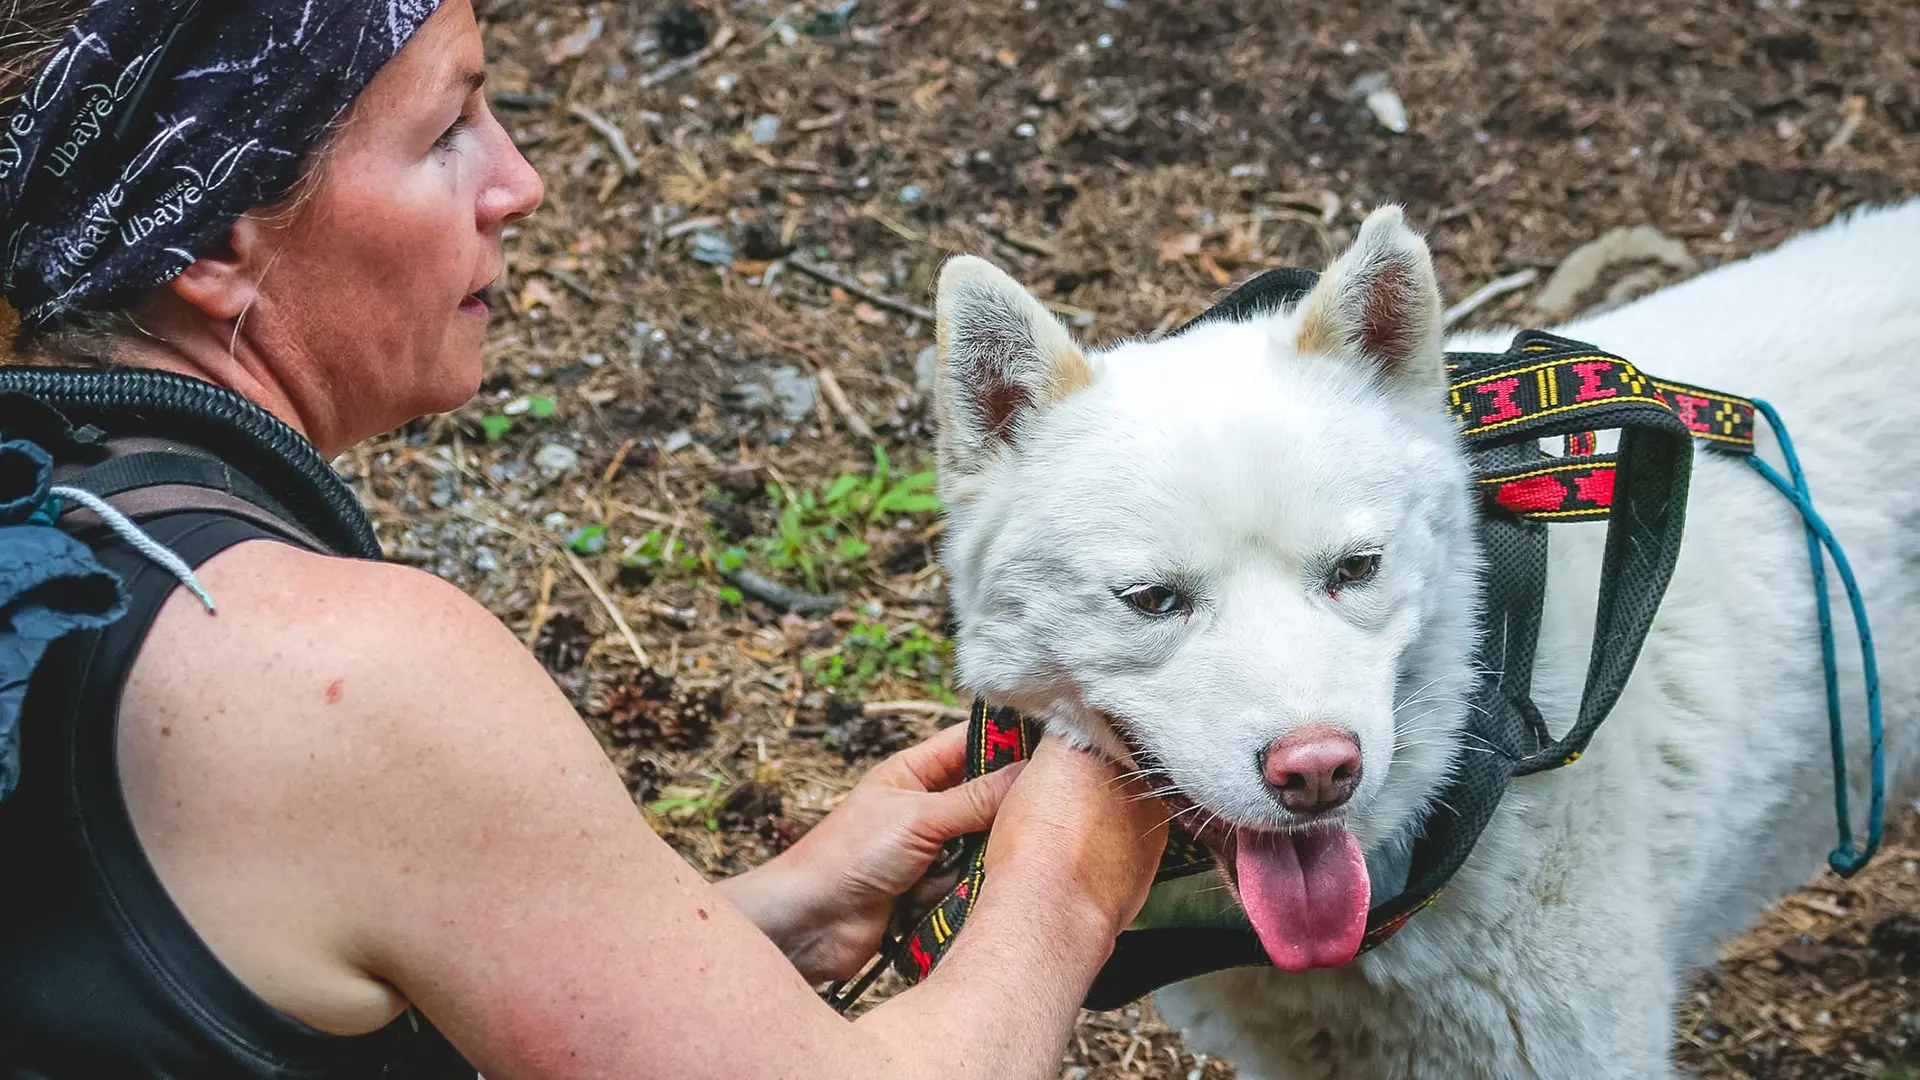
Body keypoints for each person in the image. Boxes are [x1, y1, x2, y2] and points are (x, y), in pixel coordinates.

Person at [0, 2, 1169, 1078]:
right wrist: (1072, 867)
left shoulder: (63, 531)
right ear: (208, 241)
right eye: (449, 127)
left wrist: (754, 923)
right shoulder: (328, 670)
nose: (521, 181)